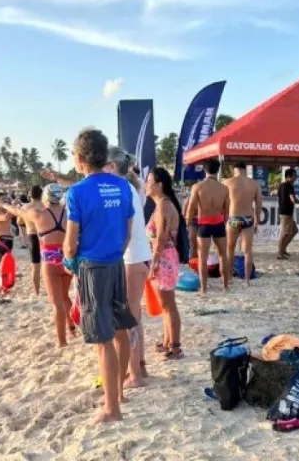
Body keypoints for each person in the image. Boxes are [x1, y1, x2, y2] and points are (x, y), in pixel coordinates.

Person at [63, 128, 137, 423]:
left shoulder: (77, 192)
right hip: (116, 262)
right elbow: (128, 232)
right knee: (120, 331)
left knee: (102, 340)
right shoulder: (122, 186)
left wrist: (71, 261)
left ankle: (111, 409)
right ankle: (117, 394)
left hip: (92, 268)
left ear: (80, 159)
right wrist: (115, 252)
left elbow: (70, 242)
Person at [2, 184, 77, 346]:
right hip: (67, 260)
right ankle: (71, 327)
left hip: (50, 262)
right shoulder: (69, 213)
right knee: (65, 297)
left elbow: (18, 212)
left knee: (56, 303)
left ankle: (62, 341)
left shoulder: (38, 214)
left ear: (45, 198)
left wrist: (4, 205)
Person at [107, 147, 152, 384]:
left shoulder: (122, 189)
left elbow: (124, 229)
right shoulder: (133, 187)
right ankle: (140, 368)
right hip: (140, 256)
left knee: (128, 319)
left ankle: (134, 373)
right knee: (135, 315)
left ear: (112, 167)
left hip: (132, 258)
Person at [146, 167, 183, 360]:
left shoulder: (163, 206)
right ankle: (168, 342)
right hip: (166, 257)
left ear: (159, 185)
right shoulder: (163, 204)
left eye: (149, 181)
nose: (146, 184)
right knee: (166, 305)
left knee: (169, 305)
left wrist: (153, 264)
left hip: (164, 259)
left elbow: (160, 238)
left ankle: (175, 346)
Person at [185, 158, 230, 292]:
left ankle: (204, 288)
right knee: (223, 255)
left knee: (202, 257)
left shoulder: (197, 187)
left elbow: (191, 208)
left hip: (204, 223)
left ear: (205, 170)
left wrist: (188, 223)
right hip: (218, 223)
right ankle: (225, 285)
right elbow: (227, 210)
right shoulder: (224, 188)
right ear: (217, 170)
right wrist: (224, 222)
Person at [223, 161, 262, 287]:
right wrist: (257, 221)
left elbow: (223, 204)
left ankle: (229, 277)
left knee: (230, 250)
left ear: (235, 170)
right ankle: (247, 280)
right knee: (248, 251)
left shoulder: (227, 182)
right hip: (248, 219)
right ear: (245, 170)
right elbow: (259, 204)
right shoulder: (254, 183)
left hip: (233, 218)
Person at [276, 169, 299, 259]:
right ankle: (280, 253)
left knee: (294, 231)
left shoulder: (282, 185)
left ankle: (283, 249)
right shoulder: (289, 186)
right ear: (289, 176)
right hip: (286, 213)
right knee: (285, 233)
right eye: (294, 176)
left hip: (285, 212)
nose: (296, 178)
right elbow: (293, 199)